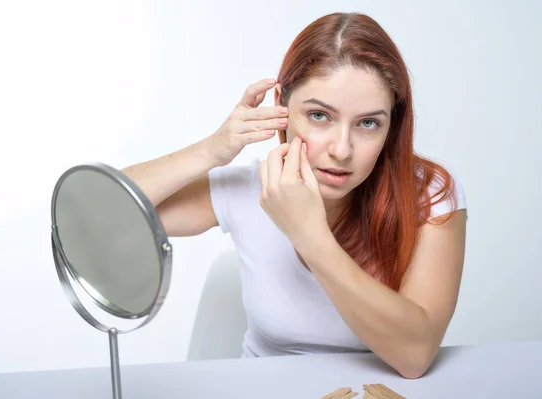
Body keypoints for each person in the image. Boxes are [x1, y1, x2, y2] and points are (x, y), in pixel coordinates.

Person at [122, 12, 467, 379]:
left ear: (391, 125)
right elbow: (95, 216)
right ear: (281, 106)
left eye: (368, 123)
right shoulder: (250, 186)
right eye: (319, 115)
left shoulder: (428, 193)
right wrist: (212, 150)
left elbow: (414, 355)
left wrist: (308, 233)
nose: (341, 149)